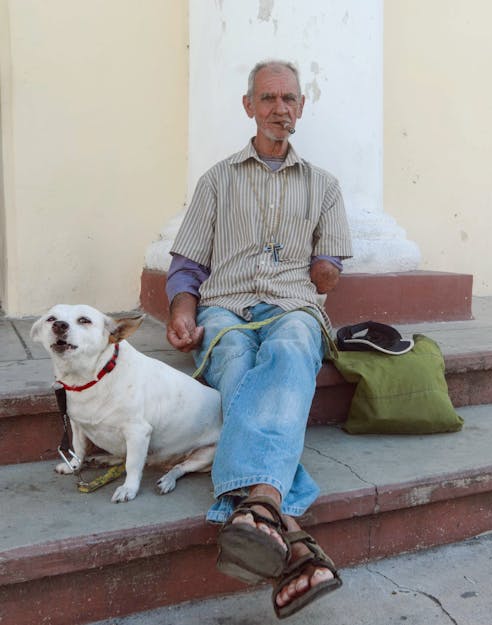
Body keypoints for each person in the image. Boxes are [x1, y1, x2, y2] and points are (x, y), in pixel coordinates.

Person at [166, 59, 352, 619]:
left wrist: (326, 273)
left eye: (289, 99)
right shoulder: (217, 180)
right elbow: (186, 265)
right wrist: (181, 311)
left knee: (293, 347)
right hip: (224, 307)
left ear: (301, 108)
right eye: (268, 99)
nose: (280, 109)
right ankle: (285, 528)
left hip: (294, 304)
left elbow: (329, 263)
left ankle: (260, 509)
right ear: (249, 106)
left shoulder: (325, 185)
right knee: (234, 357)